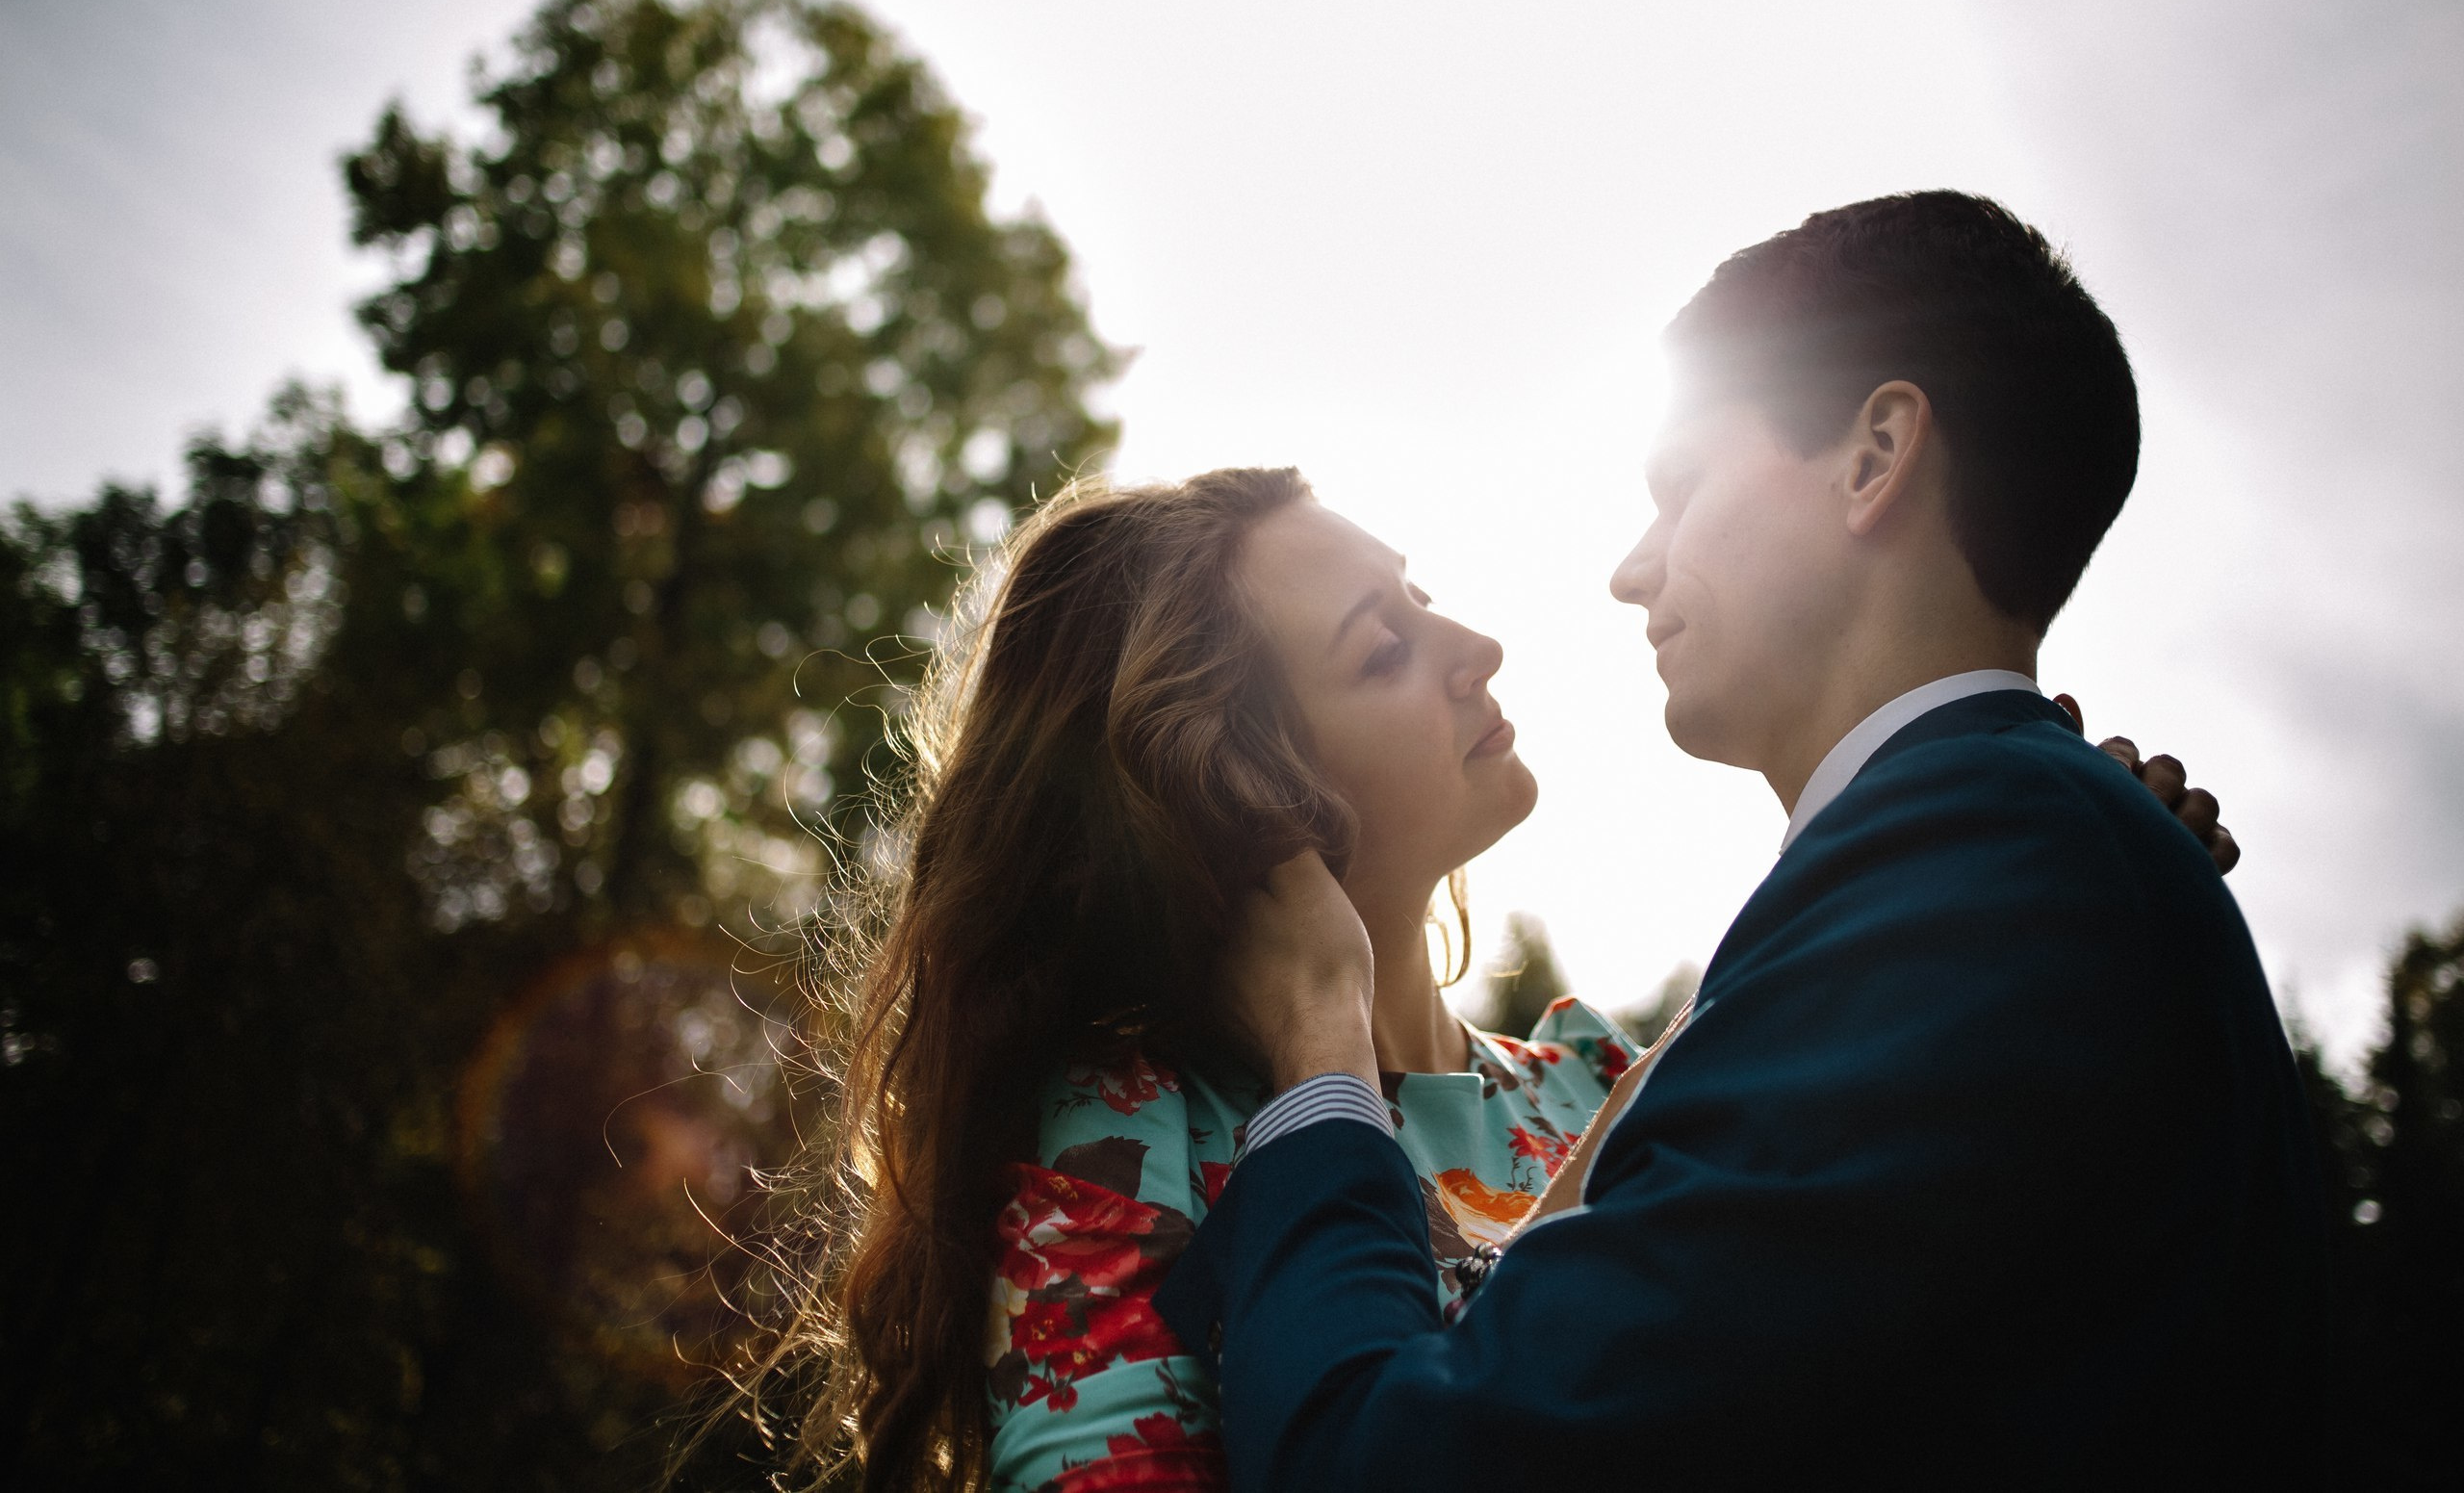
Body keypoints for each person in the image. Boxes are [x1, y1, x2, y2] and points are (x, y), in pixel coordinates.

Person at [744, 442, 2237, 1490]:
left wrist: (2024, 912)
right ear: (1240, 789)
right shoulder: (1127, 1144)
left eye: (1425, 597)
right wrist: (1319, 1043)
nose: (1479, 647)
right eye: (1383, 651)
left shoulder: (1604, 1077)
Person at [1151, 192, 2324, 1489]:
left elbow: (1395, 1465)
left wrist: (1321, 1052)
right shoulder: (2010, 860)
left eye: (1681, 486)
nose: (1632, 569)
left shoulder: (1978, 882)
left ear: (1875, 458)